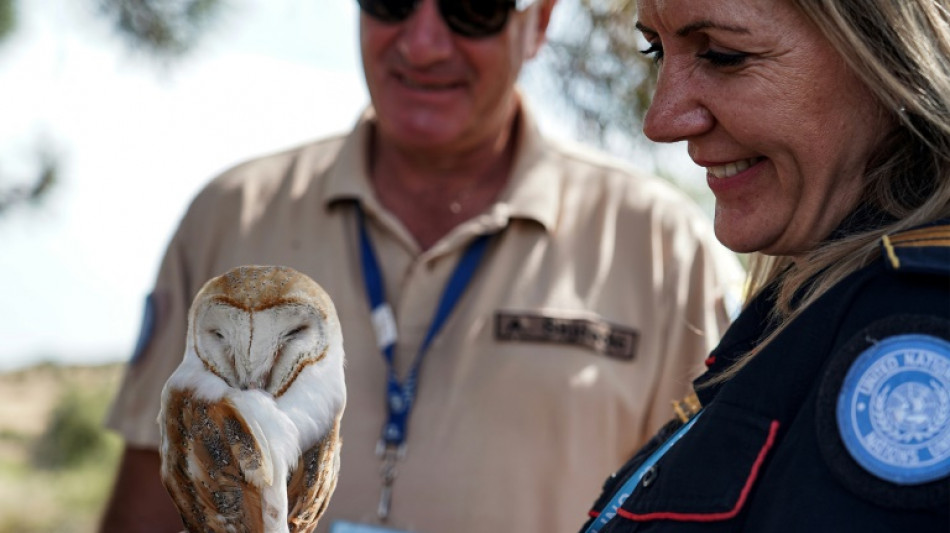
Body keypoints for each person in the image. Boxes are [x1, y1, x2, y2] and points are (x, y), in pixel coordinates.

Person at [98, 0, 744, 532]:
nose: (425, 43)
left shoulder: (666, 248)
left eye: (471, 10)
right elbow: (151, 493)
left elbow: (711, 507)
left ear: (540, 23)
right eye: (391, 3)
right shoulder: (232, 215)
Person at [580, 0, 950, 531]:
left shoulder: (916, 326)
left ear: (890, 56)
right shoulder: (819, 303)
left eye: (724, 55)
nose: (661, 121)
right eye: (655, 50)